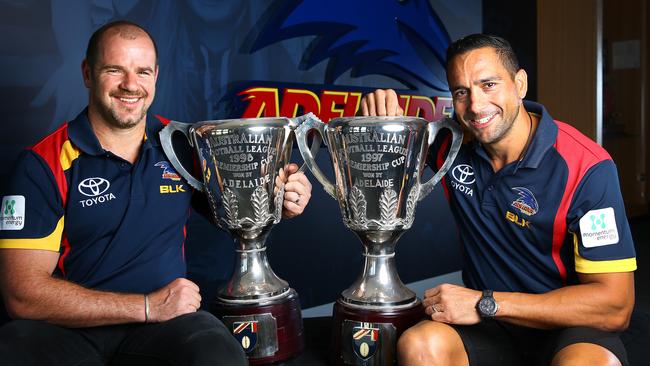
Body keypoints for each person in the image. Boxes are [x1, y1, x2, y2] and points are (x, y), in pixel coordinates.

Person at [0, 20, 312, 365]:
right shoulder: (42, 163)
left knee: (215, 351)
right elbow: (22, 293)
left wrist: (279, 199)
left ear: (156, 76)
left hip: (167, 328)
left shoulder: (181, 146)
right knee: (14, 344)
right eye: (114, 70)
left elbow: (236, 213)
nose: (131, 85)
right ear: (88, 73)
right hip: (71, 329)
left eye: (143, 72)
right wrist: (148, 306)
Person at [361, 34, 636, 366]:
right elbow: (387, 175)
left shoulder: (586, 167)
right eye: (461, 92)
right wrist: (383, 129)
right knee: (420, 346)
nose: (475, 106)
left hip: (568, 326)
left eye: (488, 85)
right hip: (490, 328)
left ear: (519, 84)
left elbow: (615, 305)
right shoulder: (450, 145)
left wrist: (484, 302)